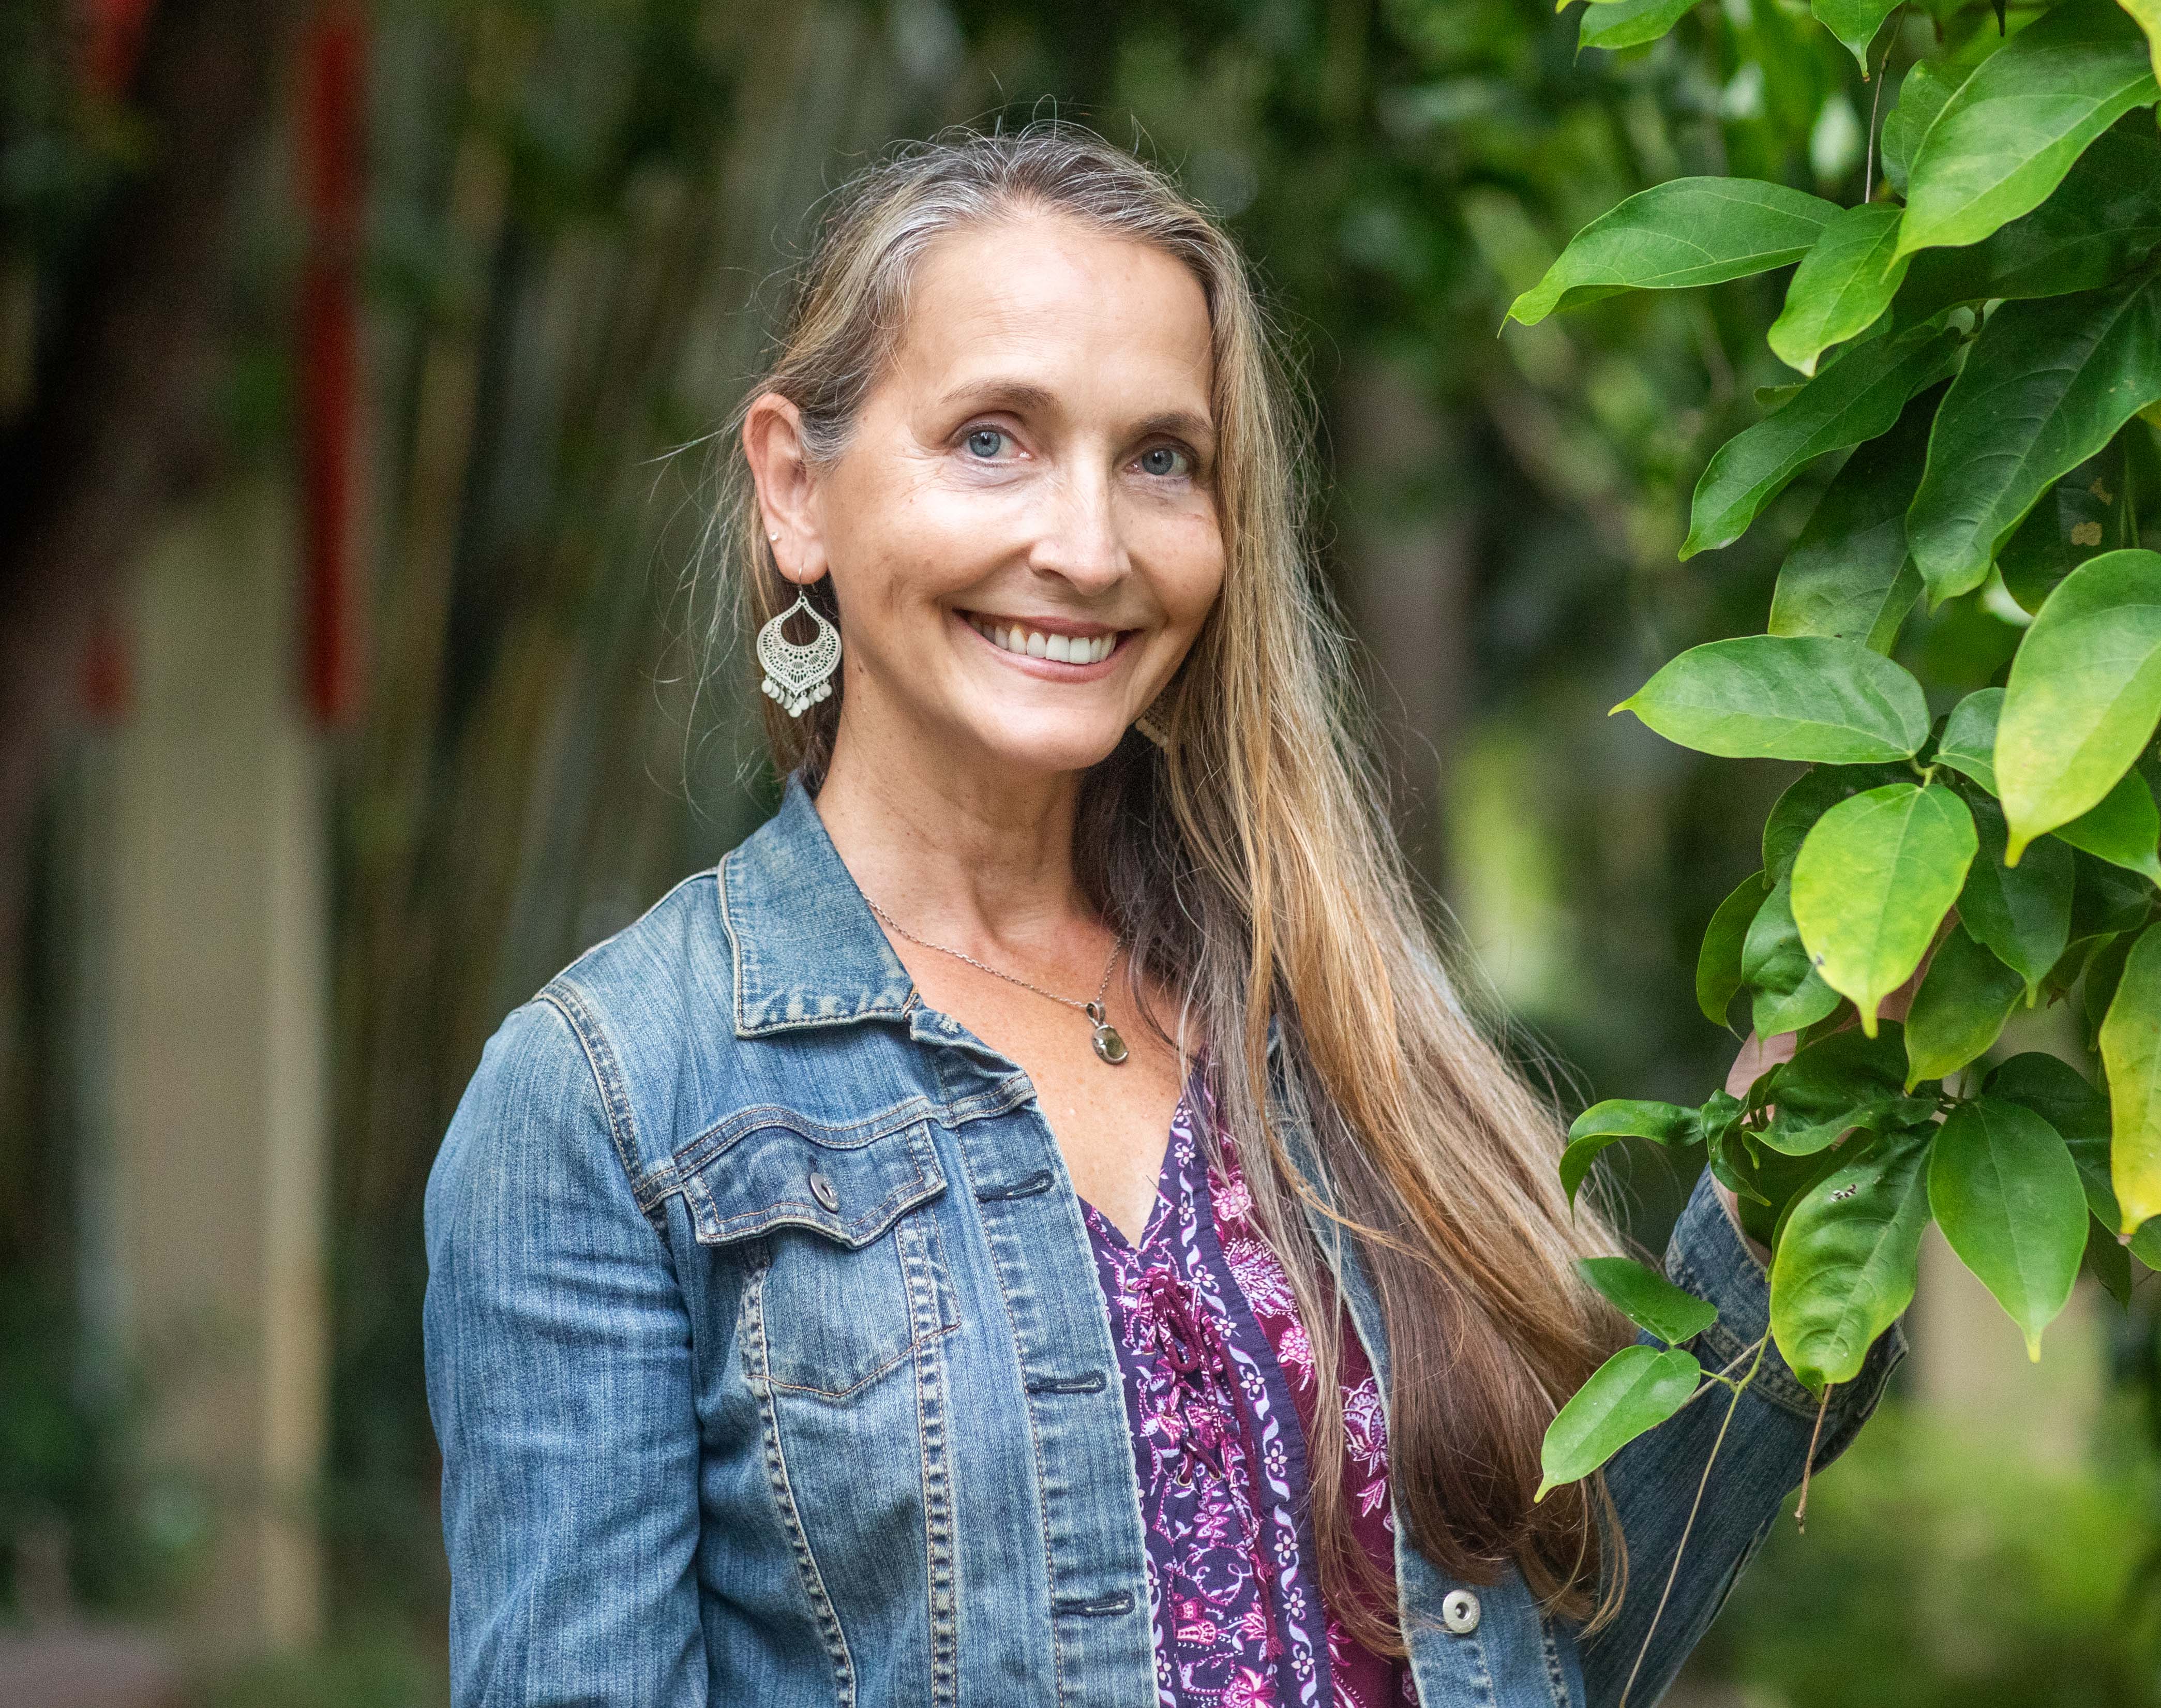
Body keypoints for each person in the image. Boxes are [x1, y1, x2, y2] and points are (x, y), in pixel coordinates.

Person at [421, 123, 1900, 1708]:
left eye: (1159, 460)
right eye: (992, 439)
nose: (1088, 548)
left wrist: (1792, 1160)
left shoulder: (1316, 1028)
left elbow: (1562, 1645)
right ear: (796, 488)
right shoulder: (610, 1101)